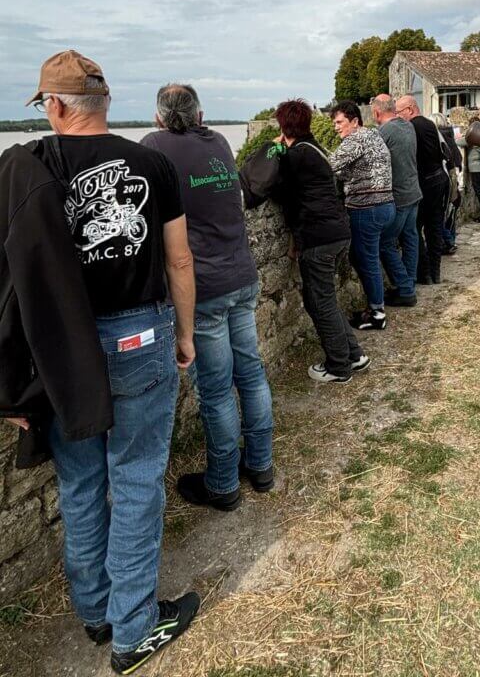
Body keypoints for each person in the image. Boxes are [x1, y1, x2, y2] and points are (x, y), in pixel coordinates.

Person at [24, 50, 200, 675]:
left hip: (64, 346)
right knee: (135, 476)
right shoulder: (152, 163)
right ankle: (134, 624)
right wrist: (183, 335)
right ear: (105, 102)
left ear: (54, 105)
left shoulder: (28, 167)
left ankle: (99, 615)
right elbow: (180, 261)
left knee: (79, 481)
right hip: (138, 335)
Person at [141, 85, 274, 511]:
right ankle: (261, 466)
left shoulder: (154, 146)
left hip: (205, 287)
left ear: (160, 117)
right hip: (242, 273)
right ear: (200, 114)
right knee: (251, 375)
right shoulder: (217, 140)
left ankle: (222, 485)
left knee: (216, 391)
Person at [240, 99, 370, 384]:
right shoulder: (314, 149)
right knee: (325, 299)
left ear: (283, 126)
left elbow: (262, 184)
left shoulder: (294, 156)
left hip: (318, 237)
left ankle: (339, 366)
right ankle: (353, 354)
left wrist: (273, 146)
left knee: (319, 302)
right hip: (336, 232)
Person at [328, 101, 395, 330]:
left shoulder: (355, 139)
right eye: (334, 123)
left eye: (339, 122)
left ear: (354, 121)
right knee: (362, 257)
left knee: (367, 260)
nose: (336, 127)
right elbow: (350, 169)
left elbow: (329, 165)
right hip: (386, 205)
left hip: (367, 209)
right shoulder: (373, 135)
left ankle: (377, 313)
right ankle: (375, 306)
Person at [371, 94, 421, 308]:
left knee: (385, 243)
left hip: (398, 196)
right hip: (414, 192)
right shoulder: (408, 126)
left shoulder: (384, 132)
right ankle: (408, 282)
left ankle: (405, 289)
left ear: (376, 112)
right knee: (410, 238)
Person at [394, 96, 450, 285]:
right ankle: (435, 272)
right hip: (439, 178)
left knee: (413, 229)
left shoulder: (411, 127)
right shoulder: (429, 123)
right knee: (434, 228)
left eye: (399, 112)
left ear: (410, 109)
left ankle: (423, 272)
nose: (398, 116)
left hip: (424, 182)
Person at [430, 112, 462, 254]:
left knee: (436, 215)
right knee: (450, 213)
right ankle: (451, 240)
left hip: (443, 178)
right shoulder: (450, 135)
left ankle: (448, 242)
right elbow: (458, 157)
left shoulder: (437, 137)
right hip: (454, 177)